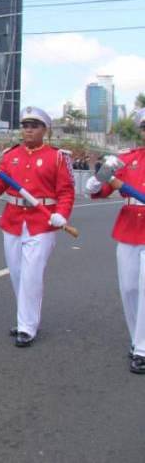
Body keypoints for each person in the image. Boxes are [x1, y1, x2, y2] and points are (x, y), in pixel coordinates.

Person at [0, 106, 75, 348]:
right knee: (17, 273)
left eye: (34, 126)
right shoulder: (10, 154)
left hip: (42, 222)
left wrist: (62, 214)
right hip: (14, 219)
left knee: (31, 275)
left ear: (45, 130)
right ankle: (23, 318)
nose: (28, 130)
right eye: (25, 125)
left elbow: (66, 191)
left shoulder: (57, 156)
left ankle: (27, 327)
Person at [86, 109, 145, 373]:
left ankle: (143, 348)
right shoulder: (127, 160)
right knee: (130, 289)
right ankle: (137, 339)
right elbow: (105, 188)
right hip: (130, 226)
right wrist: (95, 185)